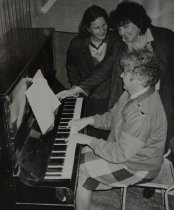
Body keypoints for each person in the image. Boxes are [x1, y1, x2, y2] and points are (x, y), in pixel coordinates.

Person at [57, 1, 174, 154]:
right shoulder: (121, 44)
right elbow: (103, 69)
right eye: (119, 28)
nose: (121, 32)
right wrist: (76, 89)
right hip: (131, 107)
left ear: (139, 21)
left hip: (160, 105)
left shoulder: (165, 37)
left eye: (125, 26)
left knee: (155, 151)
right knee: (126, 149)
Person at [67, 49, 167, 210]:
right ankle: (83, 197)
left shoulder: (143, 113)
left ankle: (83, 195)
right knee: (76, 157)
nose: (121, 76)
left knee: (80, 170)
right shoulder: (132, 93)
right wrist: (86, 120)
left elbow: (120, 154)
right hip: (127, 154)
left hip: (138, 167)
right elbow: (111, 118)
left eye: (126, 73)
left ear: (138, 79)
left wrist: (88, 140)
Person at [66, 5, 119, 139]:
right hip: (91, 98)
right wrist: (75, 86)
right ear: (88, 28)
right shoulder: (76, 44)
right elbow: (71, 67)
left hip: (112, 96)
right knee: (94, 134)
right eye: (97, 28)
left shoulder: (117, 40)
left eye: (104, 25)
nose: (102, 31)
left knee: (113, 133)